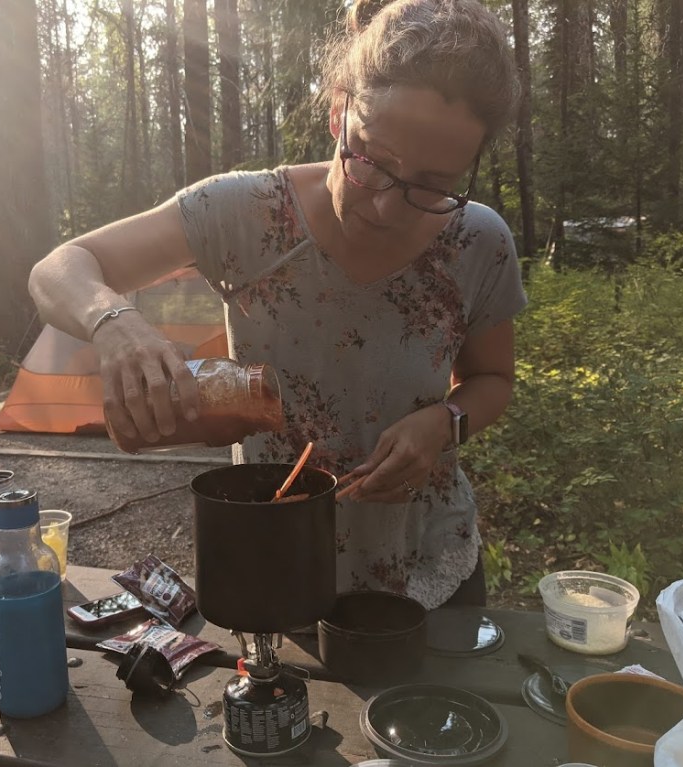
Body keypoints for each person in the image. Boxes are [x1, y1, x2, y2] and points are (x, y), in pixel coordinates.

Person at [29, 0, 526, 609]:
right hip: (275, 551)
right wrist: (116, 324)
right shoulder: (248, 215)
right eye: (373, 161)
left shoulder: (479, 241)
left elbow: (493, 378)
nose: (385, 208)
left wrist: (444, 423)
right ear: (339, 109)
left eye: (433, 185)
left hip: (424, 559)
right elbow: (58, 269)